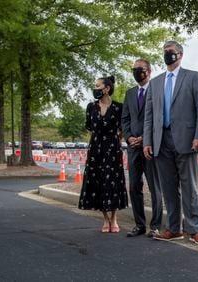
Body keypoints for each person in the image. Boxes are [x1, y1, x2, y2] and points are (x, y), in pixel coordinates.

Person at [143, 40, 198, 245]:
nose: (167, 55)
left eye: (170, 52)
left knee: (190, 187)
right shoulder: (155, 82)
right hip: (161, 140)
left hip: (187, 140)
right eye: (164, 52)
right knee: (169, 188)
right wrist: (147, 141)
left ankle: (195, 229)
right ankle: (173, 228)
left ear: (180, 55)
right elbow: (149, 115)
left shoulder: (193, 77)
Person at [79, 76, 128, 233]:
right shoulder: (91, 107)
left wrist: (115, 140)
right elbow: (90, 127)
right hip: (96, 148)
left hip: (113, 147)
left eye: (98, 86)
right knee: (98, 180)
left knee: (112, 181)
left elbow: (122, 129)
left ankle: (114, 218)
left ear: (107, 88)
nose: (95, 89)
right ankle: (105, 219)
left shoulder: (119, 107)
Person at [122, 59, 163, 238]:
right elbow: (125, 119)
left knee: (155, 187)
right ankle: (139, 224)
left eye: (140, 69)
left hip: (150, 148)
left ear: (149, 71)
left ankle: (155, 226)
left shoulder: (157, 90)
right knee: (134, 187)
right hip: (133, 148)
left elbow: (159, 117)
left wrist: (145, 139)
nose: (137, 72)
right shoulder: (130, 94)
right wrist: (129, 137)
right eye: (134, 69)